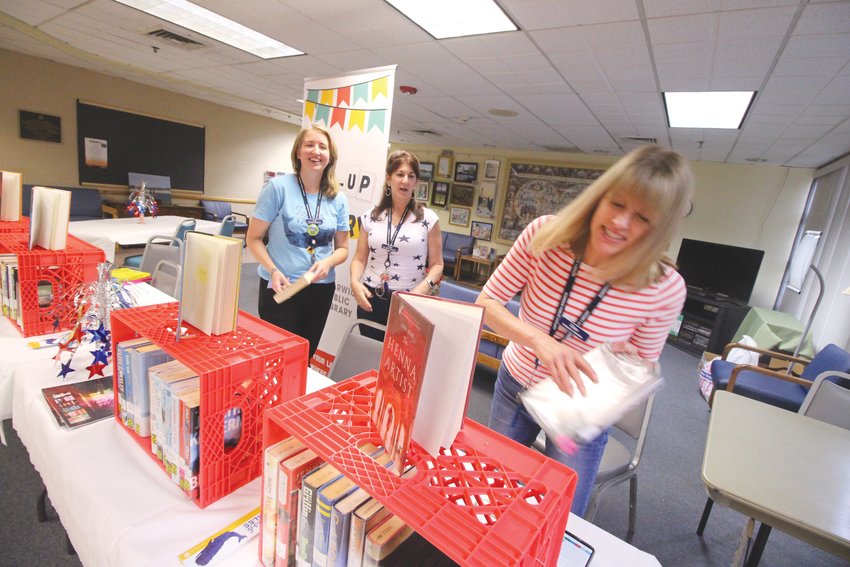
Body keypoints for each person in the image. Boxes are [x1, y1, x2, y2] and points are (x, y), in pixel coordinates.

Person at [475, 144, 694, 515]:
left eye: (642, 217)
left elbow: (643, 364)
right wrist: (540, 342)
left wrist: (627, 367)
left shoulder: (665, 287)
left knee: (561, 513)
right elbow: (486, 304)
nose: (621, 223)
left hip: (579, 413)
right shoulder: (545, 235)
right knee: (488, 489)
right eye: (617, 203)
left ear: (659, 229)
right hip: (516, 385)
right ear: (598, 197)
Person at [247, 125, 350, 359]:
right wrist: (273, 270)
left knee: (305, 357)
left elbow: (343, 249)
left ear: (330, 156)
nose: (316, 151)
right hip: (281, 286)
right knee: (276, 357)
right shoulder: (277, 188)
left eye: (323, 147)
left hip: (320, 290)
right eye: (309, 145)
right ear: (298, 152)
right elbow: (253, 239)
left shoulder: (338, 198)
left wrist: (329, 263)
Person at [350, 150, 444, 340]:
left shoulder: (429, 219)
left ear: (416, 182)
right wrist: (354, 282)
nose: (405, 181)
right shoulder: (371, 217)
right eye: (400, 174)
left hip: (408, 301)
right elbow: (359, 258)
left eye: (411, 176)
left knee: (399, 363)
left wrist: (420, 292)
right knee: (369, 356)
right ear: (388, 178)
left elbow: (437, 265)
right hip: (371, 296)